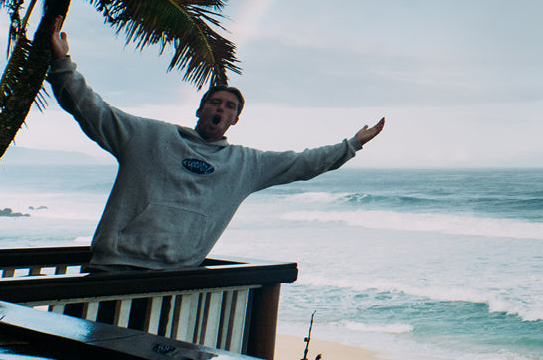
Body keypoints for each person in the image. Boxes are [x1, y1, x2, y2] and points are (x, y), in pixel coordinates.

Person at [48, 17, 384, 272]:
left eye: (230, 107)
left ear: (236, 119)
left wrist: (352, 144)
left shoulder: (245, 165)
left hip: (178, 277)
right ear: (200, 108)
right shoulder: (148, 136)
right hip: (114, 267)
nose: (221, 108)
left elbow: (303, 163)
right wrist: (63, 64)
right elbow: (92, 110)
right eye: (215, 102)